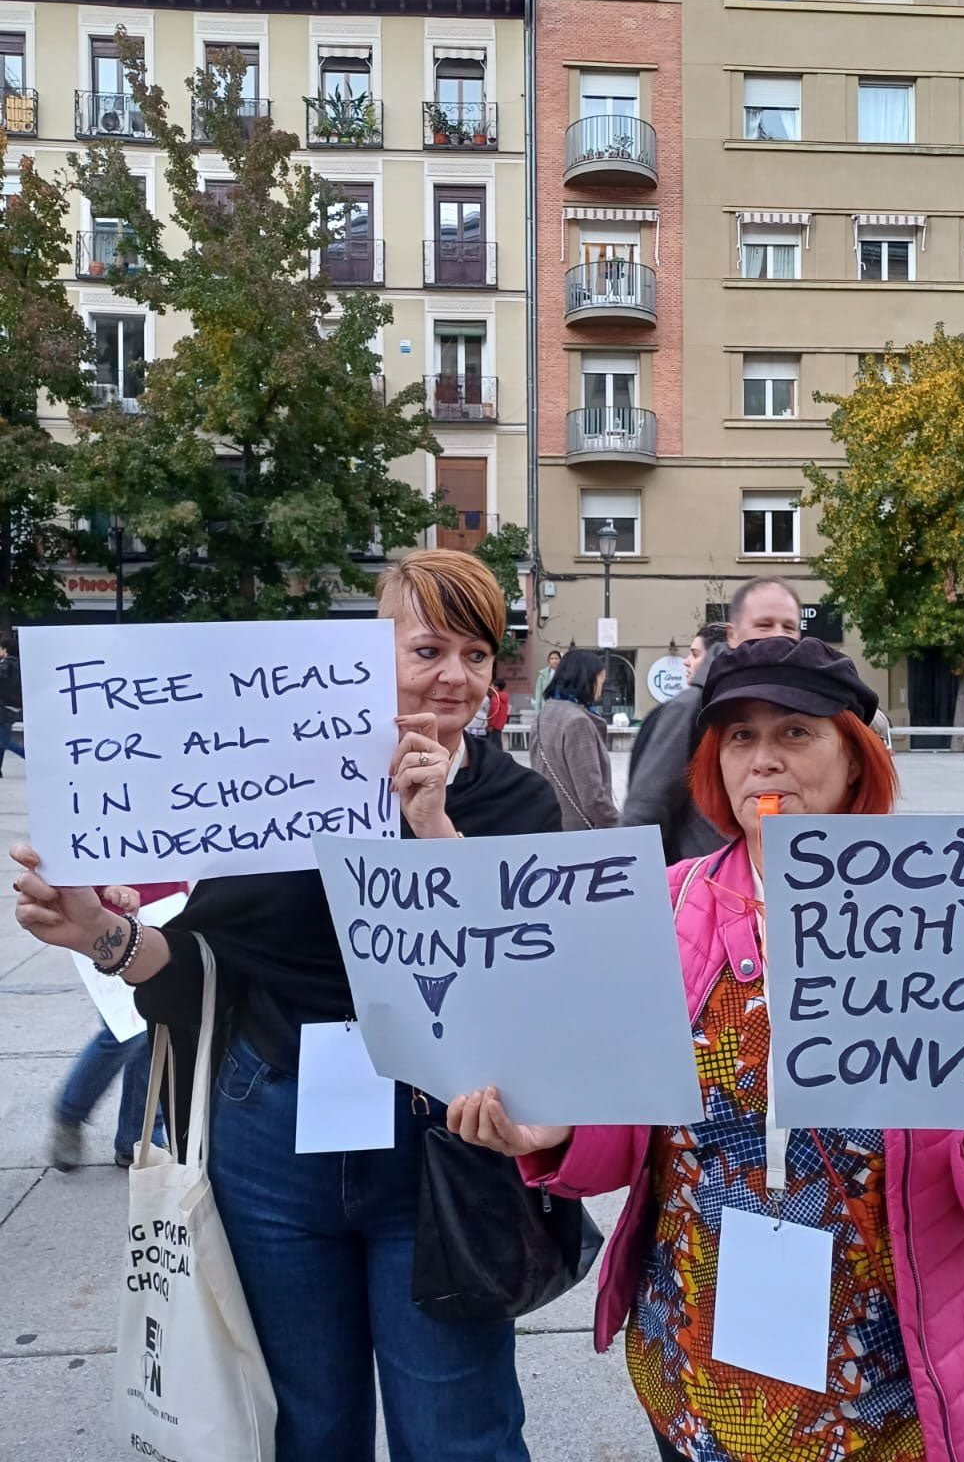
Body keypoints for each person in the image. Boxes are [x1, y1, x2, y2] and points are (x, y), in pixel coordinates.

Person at [450, 635, 964, 1462]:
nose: (763, 760)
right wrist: (561, 1131)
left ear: (854, 758)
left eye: (795, 732)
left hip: (888, 1387)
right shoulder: (661, 908)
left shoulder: (947, 912)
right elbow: (628, 1129)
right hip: (696, 1364)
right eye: (740, 736)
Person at [11, 550, 561, 1462]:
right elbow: (205, 966)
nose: (455, 677)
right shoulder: (283, 776)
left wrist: (434, 829)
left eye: (477, 654)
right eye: (428, 649)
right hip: (271, 1127)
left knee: (458, 1431)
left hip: (441, 1143)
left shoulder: (517, 802)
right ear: (370, 653)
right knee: (306, 1425)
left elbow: (516, 985)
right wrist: (100, 936)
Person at [623, 582, 805, 863]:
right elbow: (645, 811)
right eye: (764, 625)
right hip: (710, 879)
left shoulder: (810, 703)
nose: (778, 636)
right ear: (732, 635)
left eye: (789, 627)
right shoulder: (693, 707)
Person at [50, 880, 184, 1170]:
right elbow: (63, 855)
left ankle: (138, 1140)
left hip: (168, 908)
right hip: (109, 917)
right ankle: (70, 1112)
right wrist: (103, 886)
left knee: (157, 1030)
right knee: (125, 1031)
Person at [623, 622, 728, 863]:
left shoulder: (698, 706)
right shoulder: (687, 708)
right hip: (695, 866)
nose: (686, 662)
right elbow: (648, 803)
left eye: (695, 654)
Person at [531, 648, 619, 830]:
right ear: (588, 679)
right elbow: (593, 798)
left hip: (549, 821)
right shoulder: (578, 722)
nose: (601, 688)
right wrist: (622, 825)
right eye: (600, 680)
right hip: (578, 829)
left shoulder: (545, 713)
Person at [0, 634, 24, 776]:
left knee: (4, 741)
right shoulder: (18, 665)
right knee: (3, 737)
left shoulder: (5, 664)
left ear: (5, 649)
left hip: (4, 707)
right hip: (13, 707)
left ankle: (31, 757)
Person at [487, 676, 511, 749]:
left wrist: (491, 724)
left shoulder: (495, 698)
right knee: (498, 742)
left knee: (493, 744)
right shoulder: (504, 697)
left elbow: (494, 712)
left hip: (494, 725)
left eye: (492, 686)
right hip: (500, 724)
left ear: (496, 688)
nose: (490, 687)